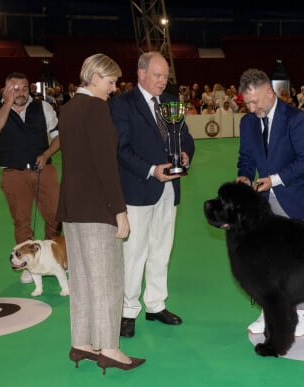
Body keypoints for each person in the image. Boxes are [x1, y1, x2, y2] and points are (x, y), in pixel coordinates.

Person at [57, 53, 145, 374]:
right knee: (107, 280)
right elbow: (105, 166)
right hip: (96, 209)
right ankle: (109, 348)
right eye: (110, 82)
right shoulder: (96, 109)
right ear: (94, 77)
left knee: (80, 280)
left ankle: (81, 343)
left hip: (71, 208)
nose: (113, 89)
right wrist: (119, 211)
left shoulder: (67, 109)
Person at [235, 68, 304, 338]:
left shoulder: (297, 119)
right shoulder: (247, 123)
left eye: (255, 102)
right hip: (266, 203)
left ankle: (301, 311)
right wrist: (244, 175)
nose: (252, 108)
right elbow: (246, 156)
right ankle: (270, 309)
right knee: (270, 261)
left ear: (269, 91)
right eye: (247, 103)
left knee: (299, 261)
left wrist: (274, 179)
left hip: (302, 199)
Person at [110, 51, 195, 338]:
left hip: (169, 188)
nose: (163, 81)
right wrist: (150, 170)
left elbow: (186, 138)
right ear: (141, 73)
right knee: (133, 253)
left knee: (162, 250)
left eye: (165, 76)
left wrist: (185, 154)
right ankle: (127, 310)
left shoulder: (172, 103)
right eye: (157, 75)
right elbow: (121, 149)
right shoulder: (121, 105)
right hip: (137, 189)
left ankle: (156, 304)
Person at [0, 72, 61, 283]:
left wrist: (46, 155)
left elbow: (58, 137)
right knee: (22, 221)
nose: (20, 92)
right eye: (14, 88)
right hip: (13, 173)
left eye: (24, 88)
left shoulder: (43, 107)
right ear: (5, 89)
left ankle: (53, 257)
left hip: (43, 169)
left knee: (55, 214)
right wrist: (7, 103)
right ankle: (29, 265)